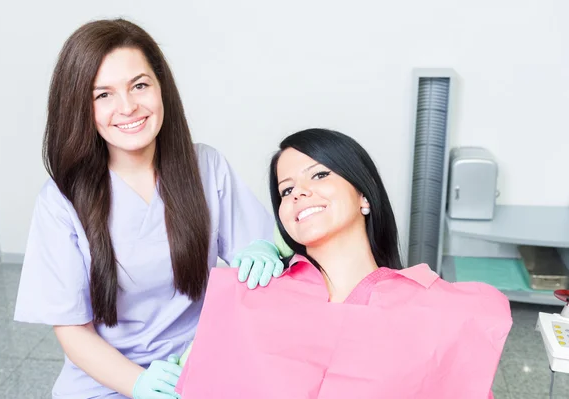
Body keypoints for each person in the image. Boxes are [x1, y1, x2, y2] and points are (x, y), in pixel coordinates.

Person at [13, 18, 283, 399]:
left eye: (139, 85)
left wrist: (264, 249)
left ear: (160, 89)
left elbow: (257, 251)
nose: (128, 107)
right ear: (80, 107)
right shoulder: (61, 200)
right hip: (104, 378)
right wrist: (137, 383)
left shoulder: (206, 167)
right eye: (102, 95)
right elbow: (73, 332)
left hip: (200, 361)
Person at [174, 128, 512, 398]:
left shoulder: (438, 313)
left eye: (319, 176)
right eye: (286, 190)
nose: (298, 193)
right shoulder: (250, 297)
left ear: (364, 194)